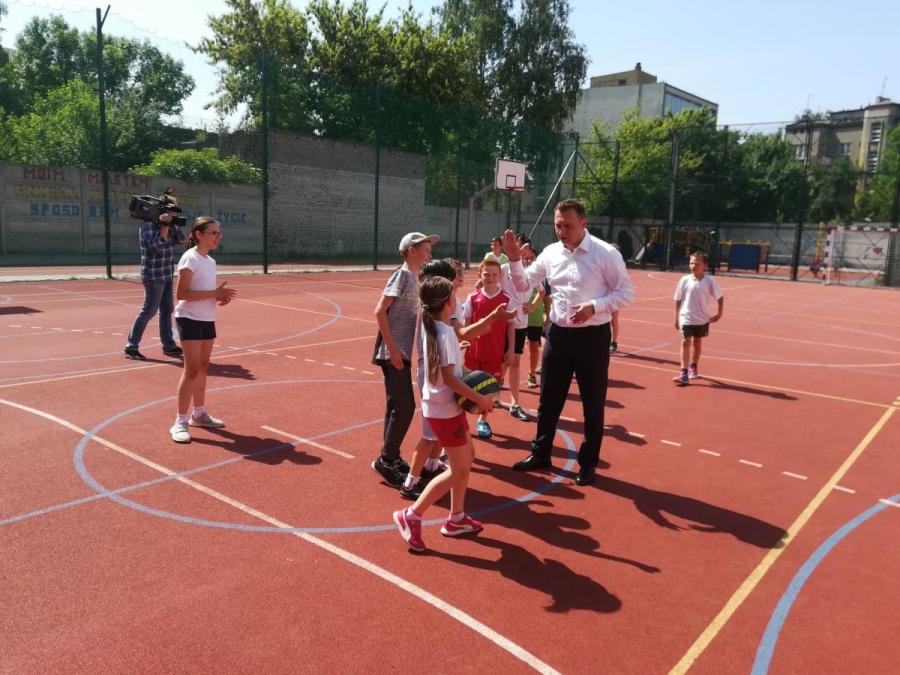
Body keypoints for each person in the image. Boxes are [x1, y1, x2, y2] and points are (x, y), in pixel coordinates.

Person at [503, 199, 635, 486]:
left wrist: (595, 306)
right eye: (558, 225)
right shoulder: (551, 253)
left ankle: (587, 464)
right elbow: (523, 285)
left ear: (583, 223)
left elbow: (626, 293)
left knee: (592, 403)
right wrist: (514, 260)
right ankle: (541, 453)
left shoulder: (605, 254)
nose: (562, 231)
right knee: (548, 400)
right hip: (558, 336)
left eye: (568, 225)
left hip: (593, 337)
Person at [393, 276, 494, 553]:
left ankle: (456, 518)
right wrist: (481, 399)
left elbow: (445, 369)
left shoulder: (434, 327)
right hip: (444, 409)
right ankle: (411, 515)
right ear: (449, 302)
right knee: (458, 469)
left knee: (467, 457)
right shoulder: (445, 332)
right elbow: (449, 379)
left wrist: (457, 355)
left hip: (443, 406)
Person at [402, 259, 516, 500]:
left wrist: (492, 318)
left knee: (439, 439)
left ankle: (431, 467)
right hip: (436, 388)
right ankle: (410, 483)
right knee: (430, 436)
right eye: (455, 274)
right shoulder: (438, 323)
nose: (460, 276)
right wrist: (478, 397)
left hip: (443, 385)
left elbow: (460, 335)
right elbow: (452, 356)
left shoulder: (440, 316)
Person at [371, 232, 438, 488]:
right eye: (426, 249)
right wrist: (393, 348)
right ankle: (387, 460)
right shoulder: (402, 275)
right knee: (405, 406)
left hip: (402, 352)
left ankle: (390, 457)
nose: (429, 254)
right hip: (393, 352)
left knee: (395, 405)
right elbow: (380, 310)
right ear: (412, 251)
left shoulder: (416, 279)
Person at [169, 217, 237, 443]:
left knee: (203, 367)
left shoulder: (210, 261)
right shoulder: (190, 257)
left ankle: (198, 414)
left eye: (219, 233)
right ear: (198, 234)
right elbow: (182, 294)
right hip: (188, 318)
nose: (218, 236)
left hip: (207, 318)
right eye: (213, 232)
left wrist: (219, 297)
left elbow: (202, 292)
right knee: (191, 370)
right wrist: (214, 293)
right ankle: (179, 422)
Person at [124, 195, 187, 360]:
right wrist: (164, 226)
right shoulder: (147, 226)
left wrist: (171, 224)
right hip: (153, 275)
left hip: (166, 273)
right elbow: (156, 245)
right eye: (172, 210)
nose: (174, 214)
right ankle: (131, 347)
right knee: (149, 310)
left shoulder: (169, 225)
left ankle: (169, 345)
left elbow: (182, 239)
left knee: (167, 310)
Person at [463, 259, 515, 439]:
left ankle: (482, 421)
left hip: (494, 352)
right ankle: (461, 422)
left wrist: (510, 350)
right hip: (473, 352)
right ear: (480, 275)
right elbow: (466, 325)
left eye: (494, 275)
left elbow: (511, 327)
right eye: (486, 274)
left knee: (490, 391)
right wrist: (465, 345)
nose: (490, 278)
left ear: (500, 276)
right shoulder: (472, 297)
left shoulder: (507, 299)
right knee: (464, 389)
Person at [501, 243, 543, 419]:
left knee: (515, 362)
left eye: (530, 256)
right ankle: (493, 391)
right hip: (502, 320)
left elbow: (542, 292)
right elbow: (484, 283)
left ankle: (515, 404)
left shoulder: (532, 273)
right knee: (500, 360)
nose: (527, 259)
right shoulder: (503, 269)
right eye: (524, 255)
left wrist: (532, 306)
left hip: (519, 322)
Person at [673, 251, 724, 384]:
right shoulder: (684, 280)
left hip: (702, 318)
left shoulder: (709, 281)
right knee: (685, 341)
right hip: (686, 317)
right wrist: (676, 317)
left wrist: (719, 313)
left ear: (704, 266)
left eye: (696, 263)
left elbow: (720, 297)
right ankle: (683, 372)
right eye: (691, 263)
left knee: (697, 342)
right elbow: (678, 299)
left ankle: (693, 366)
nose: (693, 266)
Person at [609, 244, 622, 353]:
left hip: (614, 296)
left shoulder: (619, 268)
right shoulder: (603, 264)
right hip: (602, 296)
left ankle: (614, 342)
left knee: (613, 320)